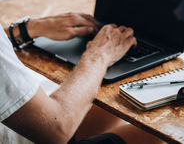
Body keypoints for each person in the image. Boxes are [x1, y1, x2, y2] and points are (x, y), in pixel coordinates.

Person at [0, 12, 165, 144]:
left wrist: (22, 31)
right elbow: (56, 131)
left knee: (114, 106)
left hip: (14, 125)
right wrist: (98, 55)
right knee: (155, 134)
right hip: (40, 133)